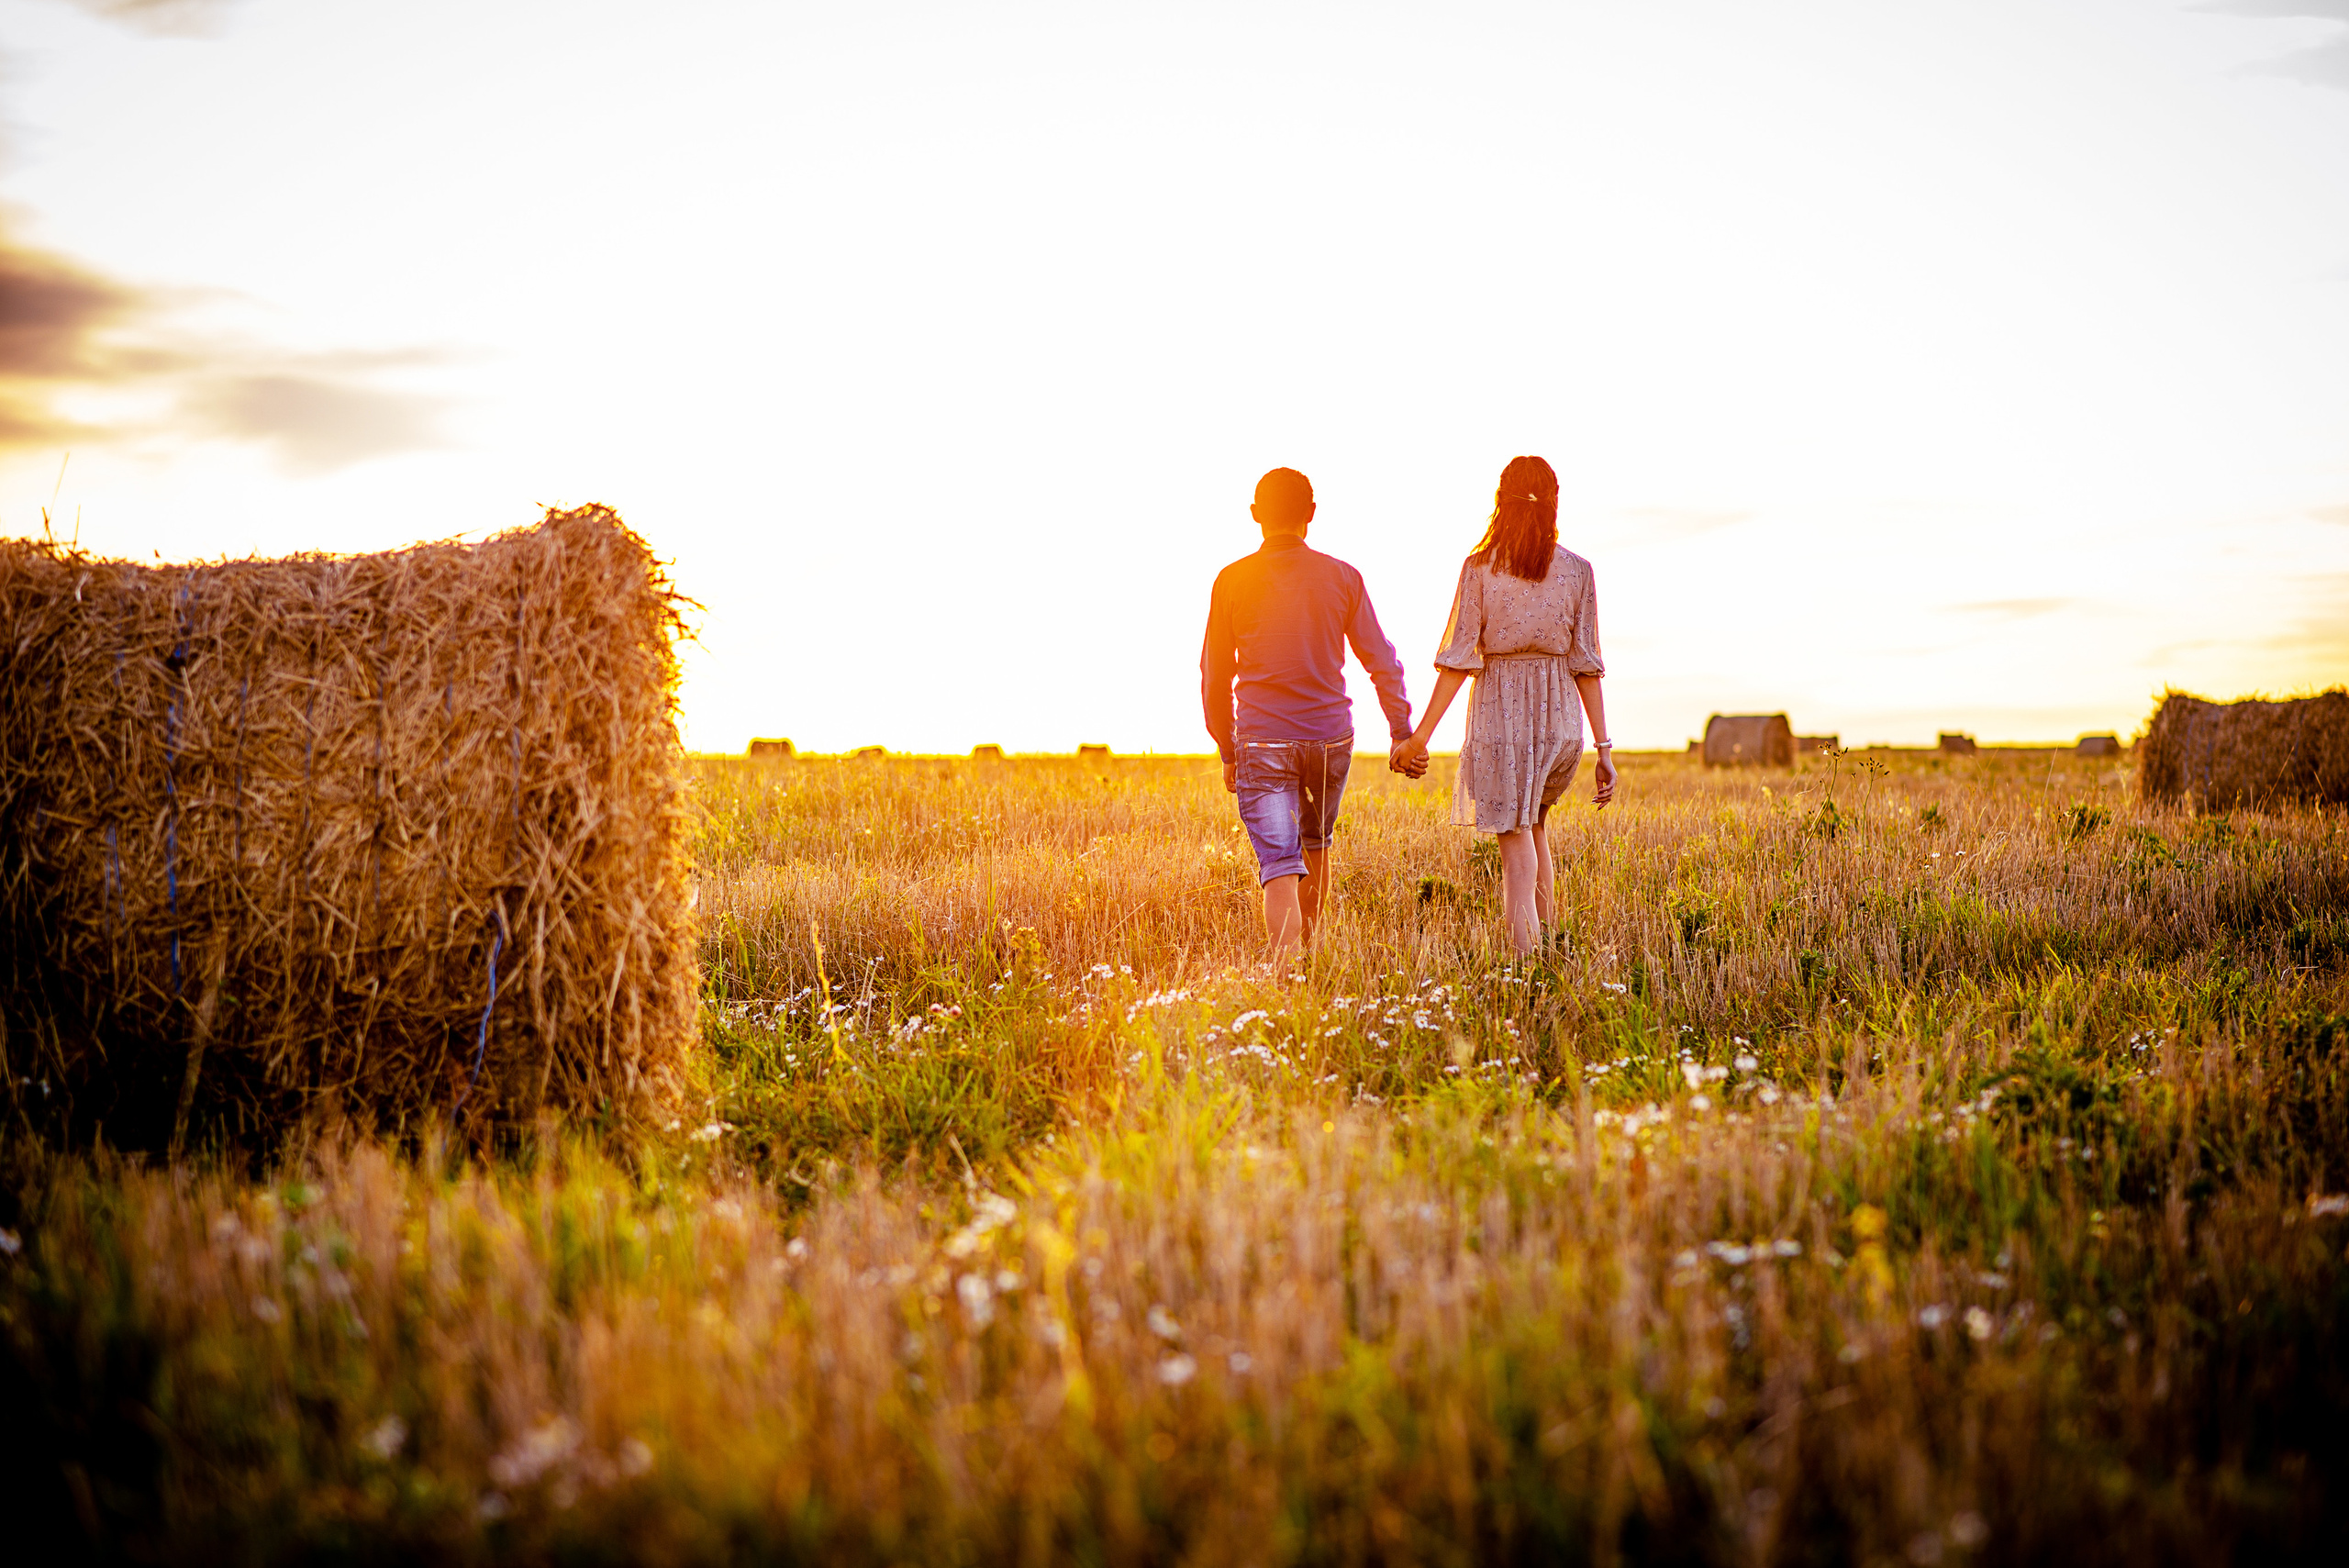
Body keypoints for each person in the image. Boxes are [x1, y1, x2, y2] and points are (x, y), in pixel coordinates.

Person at [1390, 455, 1615, 955]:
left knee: (1515, 843)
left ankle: (1526, 966)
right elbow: (1587, 664)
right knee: (1534, 826)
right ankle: (1549, 947)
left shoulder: (1480, 568)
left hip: (1502, 712)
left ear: (1501, 502)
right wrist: (1603, 748)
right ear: (1554, 501)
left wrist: (1419, 737)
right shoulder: (1578, 570)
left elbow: (1457, 663)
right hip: (1560, 718)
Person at [1201, 467, 1414, 954]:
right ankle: (1311, 963)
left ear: (1255, 515)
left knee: (1279, 863)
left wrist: (1228, 750)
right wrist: (1400, 729)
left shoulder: (1231, 580)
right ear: (1311, 515)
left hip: (1262, 739)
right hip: (1330, 739)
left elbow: (1214, 675)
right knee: (1315, 846)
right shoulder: (1343, 577)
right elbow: (1382, 660)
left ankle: (1285, 977)